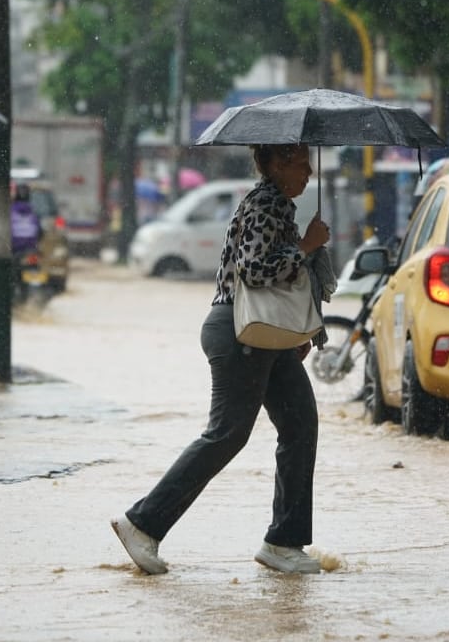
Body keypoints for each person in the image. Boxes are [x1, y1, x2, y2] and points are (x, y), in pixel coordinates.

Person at [111, 142, 331, 575]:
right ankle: (142, 523)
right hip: (240, 332)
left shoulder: (279, 205)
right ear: (277, 163)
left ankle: (283, 542)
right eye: (302, 164)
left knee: (300, 424)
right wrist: (306, 246)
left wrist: (295, 333)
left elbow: (278, 286)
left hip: (264, 334)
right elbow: (255, 270)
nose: (308, 172)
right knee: (227, 434)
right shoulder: (266, 202)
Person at [9, 183, 41, 256]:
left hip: (14, 249)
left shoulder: (10, 211)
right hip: (30, 249)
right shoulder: (33, 213)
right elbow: (39, 232)